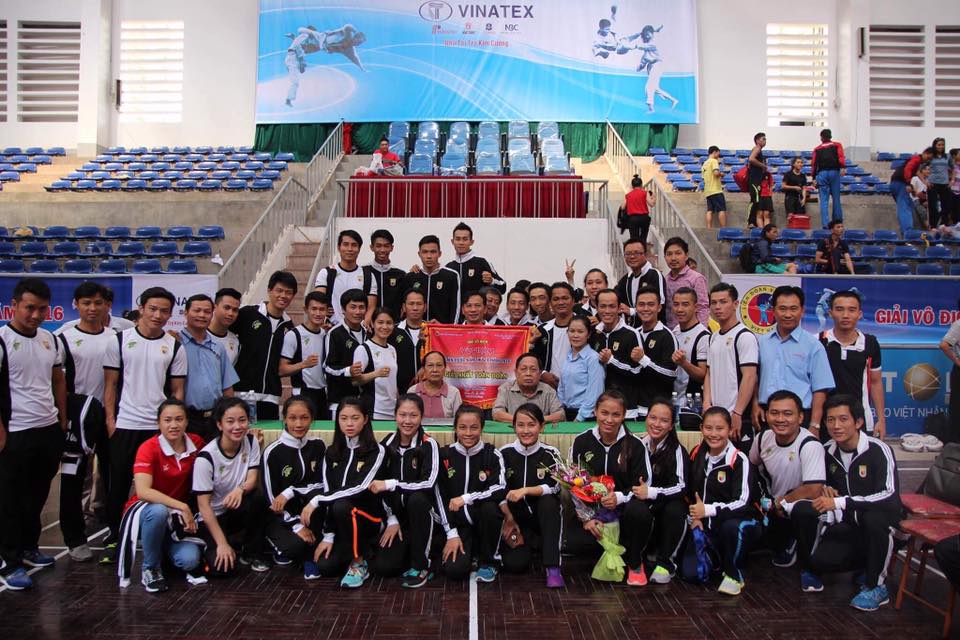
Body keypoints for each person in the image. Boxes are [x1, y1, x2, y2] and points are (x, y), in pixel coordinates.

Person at [102, 287, 187, 565]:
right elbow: (111, 385)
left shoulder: (174, 346)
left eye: (164, 311)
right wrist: (111, 421)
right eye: (153, 309)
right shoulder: (119, 341)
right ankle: (114, 537)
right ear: (141, 308)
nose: (158, 315)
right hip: (126, 424)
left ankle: (158, 538)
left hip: (158, 429)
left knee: (158, 487)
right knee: (118, 485)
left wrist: (173, 425)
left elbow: (177, 390)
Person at [794, 394, 902, 610]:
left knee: (873, 519)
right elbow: (821, 486)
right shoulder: (826, 450)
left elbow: (888, 494)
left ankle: (876, 586)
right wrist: (825, 489)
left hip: (884, 522)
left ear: (858, 422)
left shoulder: (879, 449)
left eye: (843, 419)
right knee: (804, 512)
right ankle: (822, 568)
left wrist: (842, 502)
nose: (836, 426)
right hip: (850, 524)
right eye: (830, 420)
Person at [0, 278, 67, 590]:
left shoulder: (49, 339)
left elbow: (58, 380)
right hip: (15, 432)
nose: (36, 315)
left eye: (42, 309)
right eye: (30, 308)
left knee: (37, 496)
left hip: (48, 429)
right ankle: (9, 561)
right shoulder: (2, 340)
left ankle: (29, 547)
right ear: (14, 306)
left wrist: (62, 420)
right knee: (9, 500)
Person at [299, 397, 388, 587]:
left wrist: (317, 500)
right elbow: (328, 490)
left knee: (337, 504)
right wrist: (329, 534)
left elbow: (361, 486)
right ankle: (327, 549)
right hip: (340, 520)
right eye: (344, 418)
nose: (349, 423)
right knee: (326, 567)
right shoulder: (331, 452)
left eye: (355, 418)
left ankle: (359, 563)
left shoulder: (376, 451)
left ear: (365, 419)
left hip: (369, 518)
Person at [116, 399, 204, 592]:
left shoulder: (196, 443)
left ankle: (160, 549)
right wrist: (182, 506)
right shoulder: (148, 448)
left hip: (176, 519)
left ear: (186, 422)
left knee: (190, 561)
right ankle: (151, 568)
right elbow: (143, 491)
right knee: (158, 511)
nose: (174, 425)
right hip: (146, 511)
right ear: (158, 423)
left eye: (179, 419)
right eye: (167, 420)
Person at [568, 391, 654, 586]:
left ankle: (635, 562)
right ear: (595, 412)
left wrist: (619, 497)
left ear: (624, 415)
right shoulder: (582, 441)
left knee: (640, 511)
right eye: (604, 413)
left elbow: (644, 486)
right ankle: (610, 552)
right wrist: (587, 518)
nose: (609, 420)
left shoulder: (635, 445)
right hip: (594, 514)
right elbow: (573, 482)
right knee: (575, 543)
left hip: (625, 513)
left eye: (616, 414)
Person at [55, 282, 113, 561]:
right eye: (86, 303)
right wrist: (63, 418)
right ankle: (74, 539)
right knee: (73, 480)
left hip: (108, 418)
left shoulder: (116, 338)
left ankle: (115, 532)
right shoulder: (62, 338)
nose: (92, 308)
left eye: (98, 303)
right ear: (76, 304)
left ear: (107, 306)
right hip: (76, 421)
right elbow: (56, 382)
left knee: (113, 478)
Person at [682, 406, 764, 595]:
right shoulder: (696, 453)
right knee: (691, 574)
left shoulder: (738, 459)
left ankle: (734, 573)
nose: (713, 434)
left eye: (720, 428)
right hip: (706, 524)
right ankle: (718, 558)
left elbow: (742, 502)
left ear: (729, 429)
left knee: (731, 527)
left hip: (742, 521)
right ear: (701, 428)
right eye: (708, 428)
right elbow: (690, 493)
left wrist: (708, 510)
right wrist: (695, 516)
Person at [748, 390, 825, 573]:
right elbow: (751, 466)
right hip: (773, 507)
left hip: (798, 507)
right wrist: (763, 499)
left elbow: (813, 489)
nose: (780, 419)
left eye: (787, 414)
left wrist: (782, 501)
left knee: (803, 512)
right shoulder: (763, 438)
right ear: (766, 415)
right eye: (774, 413)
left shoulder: (810, 444)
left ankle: (803, 553)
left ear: (800, 417)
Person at [368, 394, 440, 588]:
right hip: (397, 519)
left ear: (422, 417)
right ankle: (408, 552)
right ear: (395, 416)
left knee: (417, 499)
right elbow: (377, 487)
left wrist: (393, 484)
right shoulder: (386, 444)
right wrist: (391, 518)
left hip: (423, 515)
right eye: (402, 415)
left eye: (413, 415)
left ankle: (423, 565)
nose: (407, 421)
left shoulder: (429, 444)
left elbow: (428, 484)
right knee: (385, 568)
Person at [193, 397, 269, 575]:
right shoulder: (206, 458)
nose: (237, 426)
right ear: (219, 424)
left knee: (258, 498)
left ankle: (251, 552)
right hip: (212, 517)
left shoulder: (251, 442)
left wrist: (240, 489)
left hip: (234, 510)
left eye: (242, 420)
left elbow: (252, 479)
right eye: (230, 421)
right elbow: (204, 506)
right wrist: (221, 544)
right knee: (221, 569)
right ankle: (217, 544)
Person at [434, 405, 506, 582]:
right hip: (457, 525)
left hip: (483, 522)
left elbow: (499, 489)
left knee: (490, 508)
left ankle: (489, 562)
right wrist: (451, 533)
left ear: (482, 428)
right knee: (455, 571)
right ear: (455, 428)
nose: (468, 433)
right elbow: (439, 496)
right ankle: (469, 553)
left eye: (474, 427)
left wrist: (467, 498)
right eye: (462, 427)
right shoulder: (444, 455)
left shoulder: (492, 454)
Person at [753, 286, 835, 439]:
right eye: (782, 309)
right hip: (767, 416)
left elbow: (820, 389)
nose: (788, 314)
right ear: (773, 310)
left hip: (800, 418)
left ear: (802, 311)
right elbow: (755, 378)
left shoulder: (813, 345)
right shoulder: (761, 342)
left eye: (793, 309)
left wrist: (815, 425)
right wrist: (755, 404)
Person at [498, 404, 564, 587]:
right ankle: (530, 545)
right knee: (515, 565)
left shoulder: (551, 453)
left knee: (549, 502)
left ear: (541, 427)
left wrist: (526, 490)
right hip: (516, 521)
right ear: (514, 427)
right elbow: (498, 490)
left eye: (531, 425)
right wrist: (508, 518)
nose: (526, 430)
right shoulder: (504, 453)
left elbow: (556, 487)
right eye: (520, 425)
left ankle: (553, 567)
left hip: (543, 518)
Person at [261, 396, 326, 579]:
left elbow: (322, 484)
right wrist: (296, 526)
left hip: (309, 513)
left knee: (317, 501)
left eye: (304, 418)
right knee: (296, 546)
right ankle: (276, 544)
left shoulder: (318, 446)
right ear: (285, 419)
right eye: (292, 418)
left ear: (312, 419)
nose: (298, 424)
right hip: (282, 517)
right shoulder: (273, 452)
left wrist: (291, 492)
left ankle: (309, 556)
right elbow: (271, 499)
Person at [634, 399, 689, 584]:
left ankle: (666, 563)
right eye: (653, 418)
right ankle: (636, 557)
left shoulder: (677, 450)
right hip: (645, 506)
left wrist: (651, 492)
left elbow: (682, 486)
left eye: (664, 420)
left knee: (675, 509)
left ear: (672, 425)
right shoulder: (639, 444)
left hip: (667, 505)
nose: (657, 424)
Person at [820, 290, 886, 438]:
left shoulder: (870, 343)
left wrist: (881, 420)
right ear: (830, 313)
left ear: (859, 314)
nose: (845, 315)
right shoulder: (818, 341)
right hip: (826, 420)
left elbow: (875, 382)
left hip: (859, 418)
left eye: (851, 310)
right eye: (839, 309)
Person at [232, 270, 296, 420]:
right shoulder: (248, 314)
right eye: (279, 290)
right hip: (242, 392)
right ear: (269, 290)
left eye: (288, 292)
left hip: (270, 396)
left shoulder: (289, 326)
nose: (283, 296)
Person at [702, 283, 759, 450]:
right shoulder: (713, 337)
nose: (718, 307)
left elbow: (750, 376)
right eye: (714, 302)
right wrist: (706, 403)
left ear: (735, 304)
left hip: (737, 416)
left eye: (723, 302)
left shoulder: (744, 336)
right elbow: (709, 373)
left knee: (739, 461)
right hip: (716, 416)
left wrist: (738, 412)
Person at [180, 294, 239, 443]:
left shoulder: (218, 347)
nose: (202, 315)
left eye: (207, 312)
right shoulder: (176, 343)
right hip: (187, 418)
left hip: (214, 418)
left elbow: (227, 387)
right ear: (186, 313)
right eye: (197, 310)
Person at [625, 290, 678, 419]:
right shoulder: (633, 334)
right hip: (632, 410)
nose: (645, 309)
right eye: (641, 304)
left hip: (656, 411)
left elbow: (671, 374)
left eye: (650, 304)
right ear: (636, 307)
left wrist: (644, 360)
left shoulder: (667, 336)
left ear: (659, 307)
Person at [591, 289, 643, 419]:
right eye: (603, 306)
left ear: (619, 308)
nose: (607, 311)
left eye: (612, 306)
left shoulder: (631, 334)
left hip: (627, 409)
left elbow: (638, 371)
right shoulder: (594, 334)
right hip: (600, 409)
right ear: (597, 307)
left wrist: (611, 360)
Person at [280, 291, 330, 420]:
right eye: (314, 309)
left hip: (322, 394)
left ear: (327, 311)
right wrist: (304, 364)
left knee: (323, 431)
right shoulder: (294, 335)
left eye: (322, 309)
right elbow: (282, 370)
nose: (318, 313)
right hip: (302, 393)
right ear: (306, 310)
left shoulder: (326, 335)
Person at [314, 230, 378, 327]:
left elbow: (371, 306)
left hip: (358, 328)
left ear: (359, 249)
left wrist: (365, 324)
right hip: (331, 327)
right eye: (345, 244)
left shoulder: (368, 275)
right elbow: (319, 300)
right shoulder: (326, 273)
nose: (350, 249)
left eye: (354, 245)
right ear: (338, 247)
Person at [324, 289, 368, 417]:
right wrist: (349, 371)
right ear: (343, 309)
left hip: (364, 403)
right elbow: (328, 367)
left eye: (361, 307)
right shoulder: (335, 334)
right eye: (353, 307)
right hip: (339, 402)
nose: (357, 312)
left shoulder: (369, 333)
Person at [351, 308, 399, 421]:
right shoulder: (364, 349)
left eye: (389, 323)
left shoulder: (392, 349)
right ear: (372, 324)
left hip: (392, 411)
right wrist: (376, 374)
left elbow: (392, 381)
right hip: (374, 411)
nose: (384, 327)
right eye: (380, 322)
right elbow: (355, 381)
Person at [402, 235, 461, 324]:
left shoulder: (451, 276)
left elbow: (456, 308)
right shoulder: (411, 277)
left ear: (439, 253)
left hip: (441, 329)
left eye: (433, 252)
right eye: (425, 252)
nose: (429, 256)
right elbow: (405, 307)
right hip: (417, 329)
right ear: (419, 254)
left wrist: (448, 329)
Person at [491, 353, 565, 424]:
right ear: (516, 373)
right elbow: (497, 413)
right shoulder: (505, 388)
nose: (528, 374)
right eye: (523, 369)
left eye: (533, 369)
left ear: (540, 374)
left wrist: (535, 420)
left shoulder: (548, 390)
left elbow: (560, 415)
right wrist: (524, 421)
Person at [557, 316, 605, 422]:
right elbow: (562, 387)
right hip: (566, 413)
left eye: (580, 332)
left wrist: (580, 417)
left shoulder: (593, 358)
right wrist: (560, 410)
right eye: (572, 331)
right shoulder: (568, 356)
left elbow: (595, 392)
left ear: (588, 334)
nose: (575, 335)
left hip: (585, 416)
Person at [446, 222, 507, 302]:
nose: (461, 243)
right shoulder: (448, 267)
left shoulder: (481, 263)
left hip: (477, 309)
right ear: (452, 241)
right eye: (458, 239)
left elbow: (503, 286)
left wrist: (491, 281)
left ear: (472, 242)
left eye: (465, 239)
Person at [530, 282, 577, 385]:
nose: (561, 302)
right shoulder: (542, 330)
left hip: (578, 386)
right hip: (549, 387)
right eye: (556, 299)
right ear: (550, 303)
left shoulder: (585, 326)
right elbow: (534, 358)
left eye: (565, 298)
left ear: (573, 301)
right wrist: (542, 373)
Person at [671, 287, 710, 408]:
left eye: (685, 304)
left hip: (692, 404)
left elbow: (703, 375)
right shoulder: (675, 331)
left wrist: (684, 363)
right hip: (673, 400)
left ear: (696, 307)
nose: (680, 309)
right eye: (676, 304)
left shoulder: (703, 336)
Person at [614, 238, 666, 326]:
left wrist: (631, 311)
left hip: (653, 328)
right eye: (628, 254)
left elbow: (660, 304)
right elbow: (614, 298)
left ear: (645, 254)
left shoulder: (654, 275)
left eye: (636, 253)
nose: (632, 257)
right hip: (633, 330)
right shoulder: (626, 279)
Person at [663, 237, 708, 328]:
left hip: (691, 331)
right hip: (670, 331)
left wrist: (700, 331)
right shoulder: (665, 280)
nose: (673, 258)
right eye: (669, 254)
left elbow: (702, 308)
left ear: (686, 256)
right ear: (665, 257)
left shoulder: (696, 278)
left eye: (678, 253)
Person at [890, 147, 933, 234]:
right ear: (925, 153)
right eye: (928, 157)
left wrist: (924, 182)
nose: (928, 160)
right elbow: (908, 169)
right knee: (905, 206)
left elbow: (917, 173)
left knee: (908, 205)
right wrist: (909, 183)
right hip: (900, 183)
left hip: (897, 183)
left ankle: (905, 229)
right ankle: (908, 231)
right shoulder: (916, 159)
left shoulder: (919, 162)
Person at [390, 288, 425, 395]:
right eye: (411, 304)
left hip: (427, 391)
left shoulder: (431, 330)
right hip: (400, 392)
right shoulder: (393, 331)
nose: (415, 308)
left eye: (419, 304)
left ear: (425, 307)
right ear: (404, 307)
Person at [408, 351, 462, 420]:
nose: (435, 370)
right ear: (423, 369)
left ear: (445, 368)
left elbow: (459, 421)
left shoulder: (454, 393)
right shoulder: (413, 391)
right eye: (430, 365)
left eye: (439, 365)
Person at [364, 229, 406, 317]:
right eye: (378, 246)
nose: (382, 250)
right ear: (372, 247)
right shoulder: (364, 272)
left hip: (394, 323)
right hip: (369, 323)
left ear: (392, 248)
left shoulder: (400, 275)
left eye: (386, 246)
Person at [812, 129, 846, 228]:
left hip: (822, 174)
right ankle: (837, 224)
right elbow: (841, 158)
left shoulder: (817, 149)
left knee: (824, 201)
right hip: (834, 172)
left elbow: (814, 164)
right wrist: (843, 167)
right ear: (830, 136)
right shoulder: (837, 145)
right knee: (836, 199)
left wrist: (813, 177)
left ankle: (825, 225)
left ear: (821, 138)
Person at [283, 25, 323, 107]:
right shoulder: (305, 35)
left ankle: (289, 99)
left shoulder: (304, 37)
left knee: (295, 80)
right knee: (295, 82)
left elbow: (297, 43)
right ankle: (288, 99)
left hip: (292, 58)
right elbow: (297, 45)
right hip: (293, 58)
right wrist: (301, 61)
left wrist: (293, 37)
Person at [208, 288, 242, 366]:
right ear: (214, 307)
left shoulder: (235, 342)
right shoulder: (196, 336)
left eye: (235, 310)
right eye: (226, 308)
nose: (231, 313)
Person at [941, 303, 960, 439]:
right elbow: (944, 345)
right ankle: (955, 443)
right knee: (958, 409)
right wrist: (958, 362)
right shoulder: (958, 325)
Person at [928, 137, 954, 229]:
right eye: (939, 145)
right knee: (933, 206)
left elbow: (953, 168)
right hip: (933, 184)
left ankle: (945, 225)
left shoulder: (948, 156)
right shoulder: (931, 156)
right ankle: (933, 226)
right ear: (935, 145)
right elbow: (920, 169)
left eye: (942, 145)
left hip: (945, 184)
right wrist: (926, 181)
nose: (941, 146)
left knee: (946, 206)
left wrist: (952, 180)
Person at [623, 175, 656, 244]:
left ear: (632, 186)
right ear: (641, 185)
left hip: (633, 218)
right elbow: (651, 204)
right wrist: (653, 197)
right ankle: (643, 248)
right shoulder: (645, 193)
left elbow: (623, 207)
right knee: (643, 237)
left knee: (634, 239)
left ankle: (635, 249)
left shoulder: (628, 195)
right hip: (644, 218)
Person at [701, 146, 727, 228]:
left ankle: (709, 229)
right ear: (714, 152)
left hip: (708, 191)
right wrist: (721, 174)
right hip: (716, 190)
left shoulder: (704, 164)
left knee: (710, 210)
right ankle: (723, 228)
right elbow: (716, 173)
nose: (719, 155)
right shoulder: (714, 161)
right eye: (718, 153)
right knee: (721, 209)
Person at [747, 133, 768, 228]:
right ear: (757, 140)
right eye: (763, 139)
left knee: (756, 200)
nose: (765, 141)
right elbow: (751, 159)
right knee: (754, 200)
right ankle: (750, 222)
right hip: (754, 180)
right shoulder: (757, 149)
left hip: (756, 180)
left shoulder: (759, 150)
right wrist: (763, 166)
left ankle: (753, 222)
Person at [782, 156, 809, 221]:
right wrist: (794, 187)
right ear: (793, 164)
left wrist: (804, 198)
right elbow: (783, 186)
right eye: (798, 162)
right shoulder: (788, 174)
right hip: (790, 198)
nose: (800, 164)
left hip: (799, 198)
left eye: (801, 162)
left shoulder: (803, 176)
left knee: (800, 218)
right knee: (791, 218)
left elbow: (804, 188)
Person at [911, 163, 932, 229]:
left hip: (926, 199)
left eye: (929, 170)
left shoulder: (929, 180)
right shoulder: (915, 178)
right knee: (923, 212)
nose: (929, 171)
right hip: (916, 199)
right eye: (927, 169)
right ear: (922, 170)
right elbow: (913, 192)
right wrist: (922, 199)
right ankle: (929, 228)